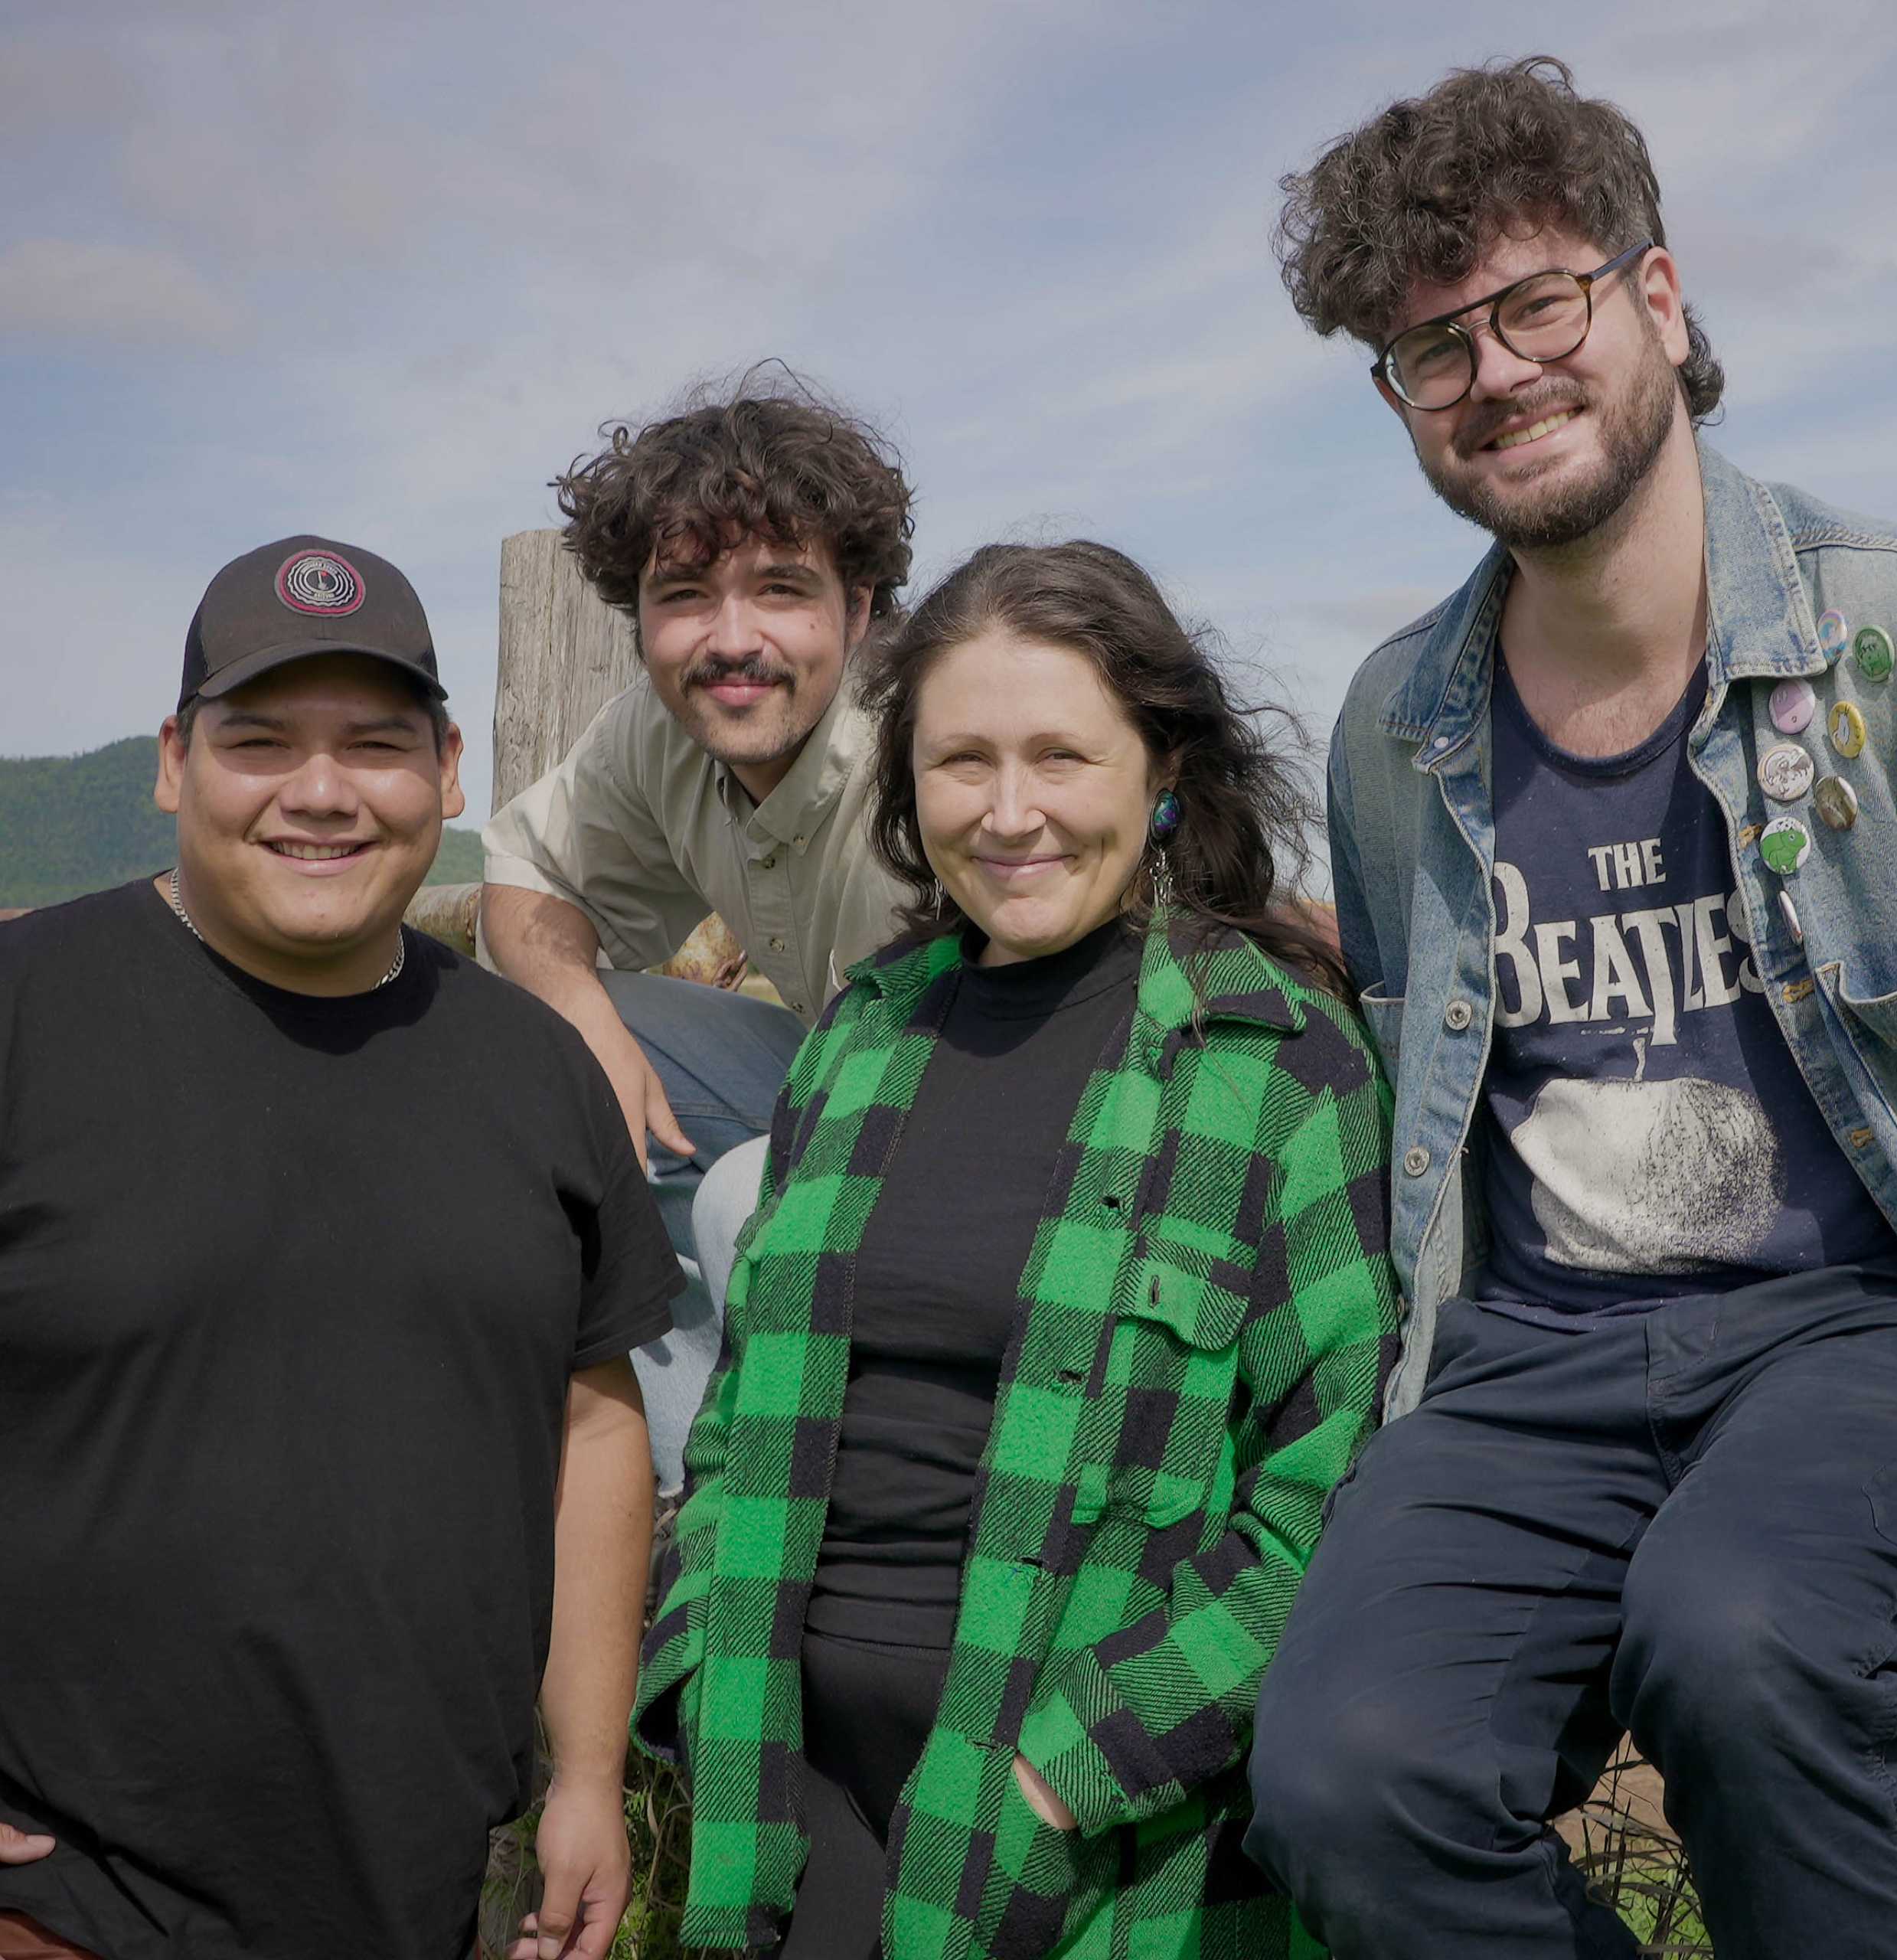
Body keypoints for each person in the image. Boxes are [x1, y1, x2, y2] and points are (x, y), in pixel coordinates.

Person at [1245, 56, 1897, 1960]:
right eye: (1426, 346)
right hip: (1532, 1364)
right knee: (1346, 1775)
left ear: (1654, 299)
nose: (1492, 370)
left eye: (1535, 302)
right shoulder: (1397, 730)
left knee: (1743, 1636)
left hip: (1869, 1322)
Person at [635, 539, 1399, 1959]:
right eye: (961, 762)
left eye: (1061, 756)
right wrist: (699, 1693)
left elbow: (1334, 1497)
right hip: (787, 1805)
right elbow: (736, 1432)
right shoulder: (861, 1041)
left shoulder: (1276, 1064)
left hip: (1090, 1844)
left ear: (1165, 771)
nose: (1009, 813)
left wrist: (1072, 1768)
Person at [0, 537, 682, 1960]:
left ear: (446, 767)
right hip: (64, 1893)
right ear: (175, 761)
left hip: (425, 1887)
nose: (321, 792)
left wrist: (590, 1779)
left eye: (375, 744)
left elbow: (597, 1427)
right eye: (261, 742)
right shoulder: (23, 1012)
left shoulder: (536, 1070)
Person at [479, 374, 916, 1492]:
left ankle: (784, 1507)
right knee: (546, 1051)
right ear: (638, 621)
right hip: (846, 1075)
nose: (733, 641)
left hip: (1025, 1124)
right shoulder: (658, 735)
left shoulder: (928, 742)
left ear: (858, 611)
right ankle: (675, 1495)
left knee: (743, 1196)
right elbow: (526, 879)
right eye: (684, 595)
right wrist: (583, 1013)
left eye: (781, 589)